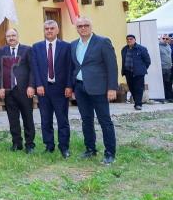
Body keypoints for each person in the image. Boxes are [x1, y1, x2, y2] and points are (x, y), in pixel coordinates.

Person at [70, 17, 118, 165]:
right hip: (80, 87)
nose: (83, 28)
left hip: (99, 89)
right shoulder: (73, 44)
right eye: (80, 26)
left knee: (105, 121)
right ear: (77, 28)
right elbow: (74, 67)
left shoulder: (103, 42)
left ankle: (110, 153)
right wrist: (72, 88)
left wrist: (112, 88)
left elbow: (112, 66)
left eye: (86, 25)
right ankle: (90, 149)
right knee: (86, 120)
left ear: (91, 26)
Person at [29, 19, 73, 158]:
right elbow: (35, 68)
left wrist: (69, 86)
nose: (49, 31)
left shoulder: (66, 46)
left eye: (52, 28)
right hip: (43, 89)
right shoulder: (36, 47)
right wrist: (38, 85)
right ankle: (49, 145)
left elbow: (70, 68)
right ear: (44, 31)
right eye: (46, 29)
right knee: (45, 119)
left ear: (57, 30)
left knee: (62, 119)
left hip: (61, 89)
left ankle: (64, 147)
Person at [0, 28, 35, 153]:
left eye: (13, 35)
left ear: (17, 36)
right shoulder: (1, 51)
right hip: (8, 91)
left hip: (24, 90)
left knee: (28, 118)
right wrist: (0, 87)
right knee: (13, 119)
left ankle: (29, 145)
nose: (11, 38)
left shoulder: (27, 50)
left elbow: (33, 69)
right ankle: (16, 143)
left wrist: (31, 86)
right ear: (6, 38)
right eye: (8, 36)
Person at [121, 35, 151, 110]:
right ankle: (137, 102)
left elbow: (147, 61)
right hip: (128, 72)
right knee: (131, 88)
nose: (129, 40)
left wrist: (142, 69)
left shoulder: (141, 49)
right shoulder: (124, 49)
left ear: (135, 40)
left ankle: (138, 104)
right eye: (127, 39)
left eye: (131, 39)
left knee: (139, 88)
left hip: (139, 73)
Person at [160, 34, 173, 102]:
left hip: (169, 67)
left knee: (169, 82)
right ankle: (164, 97)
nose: (165, 40)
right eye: (164, 38)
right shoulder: (158, 46)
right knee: (163, 83)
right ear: (161, 38)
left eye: (167, 39)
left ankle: (169, 97)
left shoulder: (168, 46)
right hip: (162, 67)